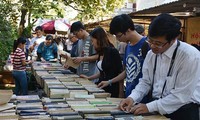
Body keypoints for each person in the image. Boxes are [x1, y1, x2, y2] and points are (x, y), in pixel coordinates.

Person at [119, 13, 200, 120]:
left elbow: (181, 95)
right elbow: (145, 82)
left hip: (183, 110)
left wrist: (149, 107)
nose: (152, 46)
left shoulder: (190, 56)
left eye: (158, 43)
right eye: (150, 41)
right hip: (156, 108)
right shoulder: (151, 54)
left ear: (173, 39)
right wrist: (132, 98)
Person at [98, 14, 150, 100]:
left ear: (128, 30)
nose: (118, 39)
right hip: (130, 96)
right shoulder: (127, 47)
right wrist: (109, 82)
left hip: (143, 99)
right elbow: (127, 72)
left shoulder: (147, 45)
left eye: (119, 35)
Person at [80, 27, 123, 97]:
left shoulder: (112, 51)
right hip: (102, 87)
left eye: (92, 41)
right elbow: (103, 72)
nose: (92, 43)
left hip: (112, 88)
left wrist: (121, 93)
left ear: (99, 39)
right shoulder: (101, 52)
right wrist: (89, 78)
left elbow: (120, 72)